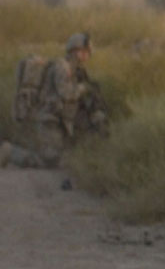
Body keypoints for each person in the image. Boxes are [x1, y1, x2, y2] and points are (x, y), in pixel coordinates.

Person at [1, 32, 108, 169]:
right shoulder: (62, 67)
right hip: (50, 120)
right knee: (49, 161)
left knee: (60, 157)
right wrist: (83, 88)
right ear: (76, 51)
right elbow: (66, 93)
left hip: (61, 121)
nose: (88, 55)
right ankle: (10, 152)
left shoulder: (75, 70)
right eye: (86, 51)